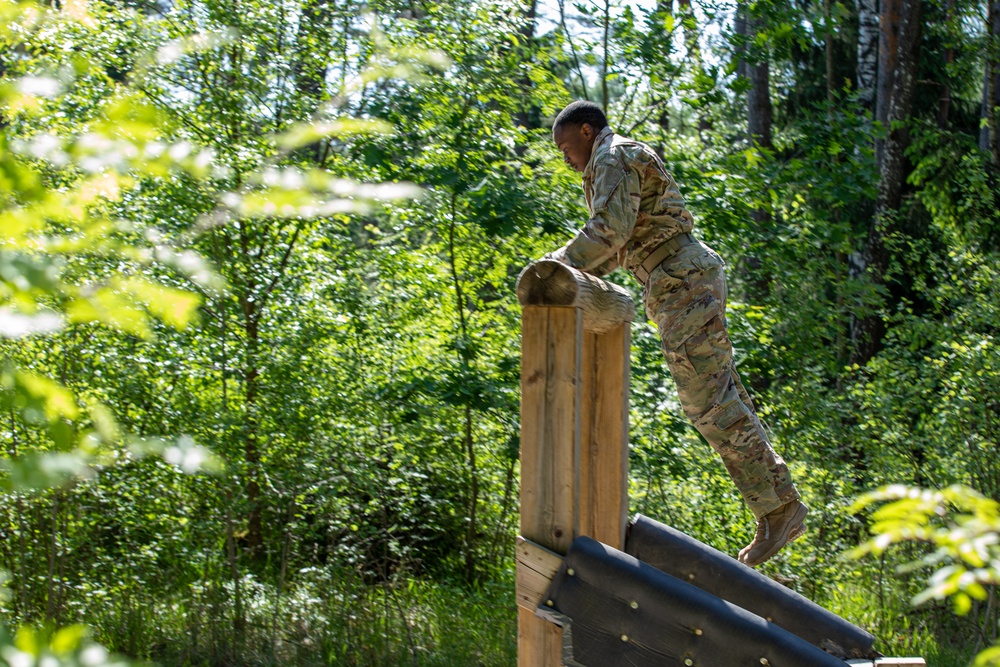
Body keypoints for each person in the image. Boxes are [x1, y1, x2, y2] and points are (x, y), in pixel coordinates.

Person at [544, 100, 807, 567]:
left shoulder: (611, 156)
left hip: (680, 279)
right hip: (676, 280)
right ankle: (775, 508)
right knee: (719, 400)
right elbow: (614, 245)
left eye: (565, 146)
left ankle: (781, 508)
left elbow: (609, 232)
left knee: (709, 404)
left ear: (587, 131)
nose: (565, 157)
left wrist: (553, 266)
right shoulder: (611, 160)